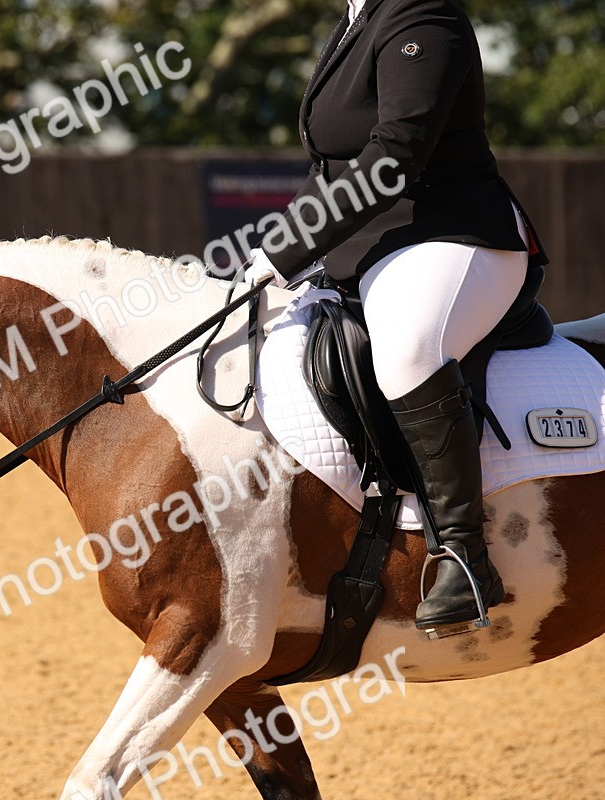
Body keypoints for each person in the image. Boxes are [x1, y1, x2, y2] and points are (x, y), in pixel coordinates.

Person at [247, 0, 547, 632]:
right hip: (373, 246)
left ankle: (465, 557)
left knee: (408, 348)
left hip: (455, 237)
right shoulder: (358, 19)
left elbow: (396, 151)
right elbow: (330, 169)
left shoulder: (424, 14)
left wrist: (289, 247)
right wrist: (272, 253)